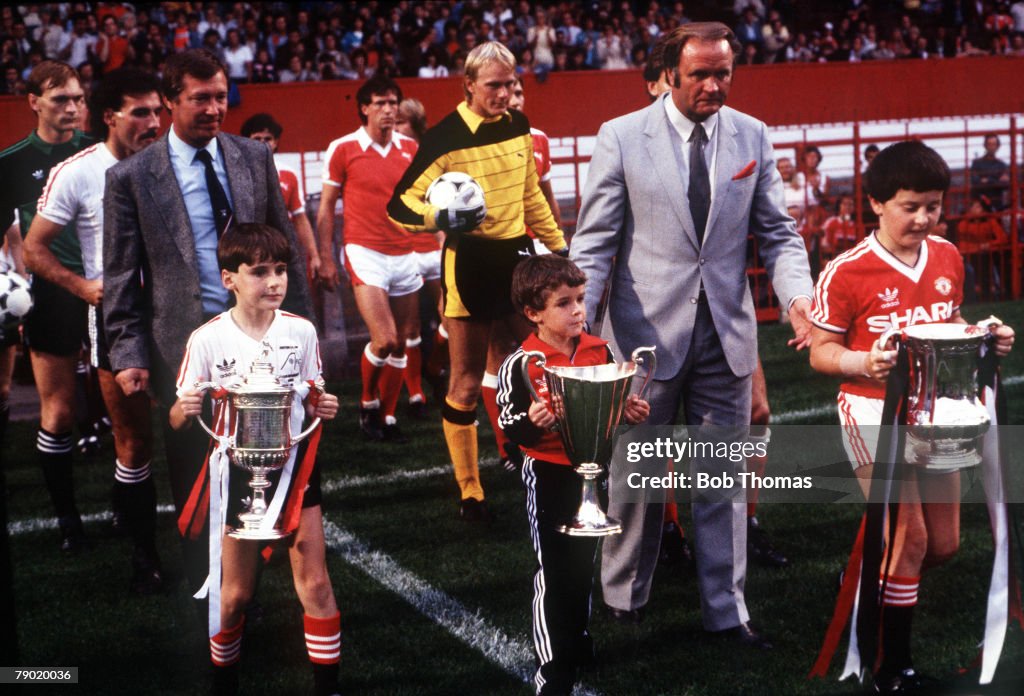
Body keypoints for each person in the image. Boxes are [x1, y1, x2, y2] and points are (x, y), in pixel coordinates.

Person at [570, 22, 813, 643]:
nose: (713, 85)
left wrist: (799, 302)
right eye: (701, 74)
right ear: (670, 74)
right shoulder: (620, 137)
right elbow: (595, 243)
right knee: (634, 482)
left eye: (723, 73)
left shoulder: (753, 135)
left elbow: (780, 234)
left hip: (726, 338)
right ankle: (624, 600)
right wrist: (581, 332)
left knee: (721, 481)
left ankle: (727, 613)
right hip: (640, 341)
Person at [102, 48, 311, 601]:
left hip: (264, 341)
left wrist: (305, 334)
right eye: (200, 98)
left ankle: (253, 592)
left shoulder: (250, 157)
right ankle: (209, 593)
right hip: (185, 347)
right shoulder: (132, 177)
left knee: (267, 465)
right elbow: (122, 272)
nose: (215, 108)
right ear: (170, 102)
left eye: (221, 96)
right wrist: (128, 355)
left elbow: (283, 249)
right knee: (198, 476)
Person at [808, 141, 1015, 693]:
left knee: (945, 544)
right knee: (913, 537)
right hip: (872, 409)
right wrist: (864, 361)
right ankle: (891, 666)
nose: (924, 218)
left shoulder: (947, 255)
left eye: (933, 206)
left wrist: (985, 339)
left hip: (935, 411)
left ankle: (870, 581)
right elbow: (820, 351)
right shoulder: (846, 271)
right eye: (910, 206)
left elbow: (948, 326)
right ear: (876, 203)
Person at [387, 41, 566, 523]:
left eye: (510, 84)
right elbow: (400, 204)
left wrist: (560, 248)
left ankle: (546, 458)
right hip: (468, 262)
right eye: (494, 85)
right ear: (468, 85)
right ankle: (471, 491)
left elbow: (531, 196)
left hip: (519, 258)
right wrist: (437, 215)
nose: (504, 93)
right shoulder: (444, 138)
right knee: (465, 380)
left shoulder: (520, 127)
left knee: (544, 362)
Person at [171, 223, 341, 696]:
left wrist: (324, 404)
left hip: (295, 468)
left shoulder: (301, 331)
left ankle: (328, 688)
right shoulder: (207, 339)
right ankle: (223, 683)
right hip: (236, 476)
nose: (274, 282)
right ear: (229, 279)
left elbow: (314, 392)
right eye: (259, 271)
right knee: (237, 596)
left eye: (281, 270)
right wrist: (183, 411)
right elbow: (176, 418)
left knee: (316, 583)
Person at [24, 67, 163, 591]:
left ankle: (213, 562)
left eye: (158, 111)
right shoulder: (79, 172)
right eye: (141, 112)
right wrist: (82, 287)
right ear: (111, 117)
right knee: (132, 441)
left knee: (195, 437)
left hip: (180, 317)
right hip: (116, 320)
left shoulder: (176, 163)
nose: (154, 122)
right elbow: (35, 248)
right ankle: (145, 557)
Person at [497, 254, 650, 695]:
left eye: (581, 299)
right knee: (554, 568)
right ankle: (554, 663)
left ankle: (578, 639)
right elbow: (510, 428)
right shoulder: (522, 363)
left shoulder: (599, 351)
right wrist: (534, 421)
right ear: (533, 314)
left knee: (583, 564)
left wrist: (628, 412)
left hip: (593, 469)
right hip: (546, 472)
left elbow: (608, 414)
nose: (579, 311)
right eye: (564, 303)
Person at [0, 60, 93, 552]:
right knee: (56, 410)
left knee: (129, 409)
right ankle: (68, 521)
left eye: (77, 98)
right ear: (33, 102)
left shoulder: (100, 150)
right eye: (60, 100)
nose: (72, 108)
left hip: (108, 291)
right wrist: (11, 292)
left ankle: (127, 507)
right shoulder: (12, 162)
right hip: (51, 295)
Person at [316, 75, 420, 442]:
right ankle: (366, 401)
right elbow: (326, 208)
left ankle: (386, 417)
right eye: (381, 103)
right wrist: (326, 259)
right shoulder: (343, 148)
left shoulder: (410, 148)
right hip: (364, 250)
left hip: (406, 251)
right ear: (364, 108)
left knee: (404, 339)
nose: (389, 110)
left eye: (393, 103)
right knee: (386, 338)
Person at [239, 112, 326, 301]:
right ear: (246, 141)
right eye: (256, 138)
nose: (263, 143)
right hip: (248, 255)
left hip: (281, 255)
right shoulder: (236, 174)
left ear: (276, 142)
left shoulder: (289, 174)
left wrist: (315, 255)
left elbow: (300, 219)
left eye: (267, 139)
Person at [394, 97, 444, 416]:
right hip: (403, 251)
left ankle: (435, 371)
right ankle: (415, 394)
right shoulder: (385, 157)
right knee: (409, 326)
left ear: (416, 124)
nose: (394, 127)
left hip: (433, 249)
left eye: (401, 122)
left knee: (448, 317)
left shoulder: (431, 157)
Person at [970, 133, 1009, 211]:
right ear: (985, 145)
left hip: (998, 207)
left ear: (998, 146)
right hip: (981, 208)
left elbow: (1006, 185)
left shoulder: (1002, 165)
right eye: (989, 144)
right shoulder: (977, 163)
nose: (991, 147)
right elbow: (975, 181)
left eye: (994, 144)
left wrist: (987, 180)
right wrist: (996, 181)